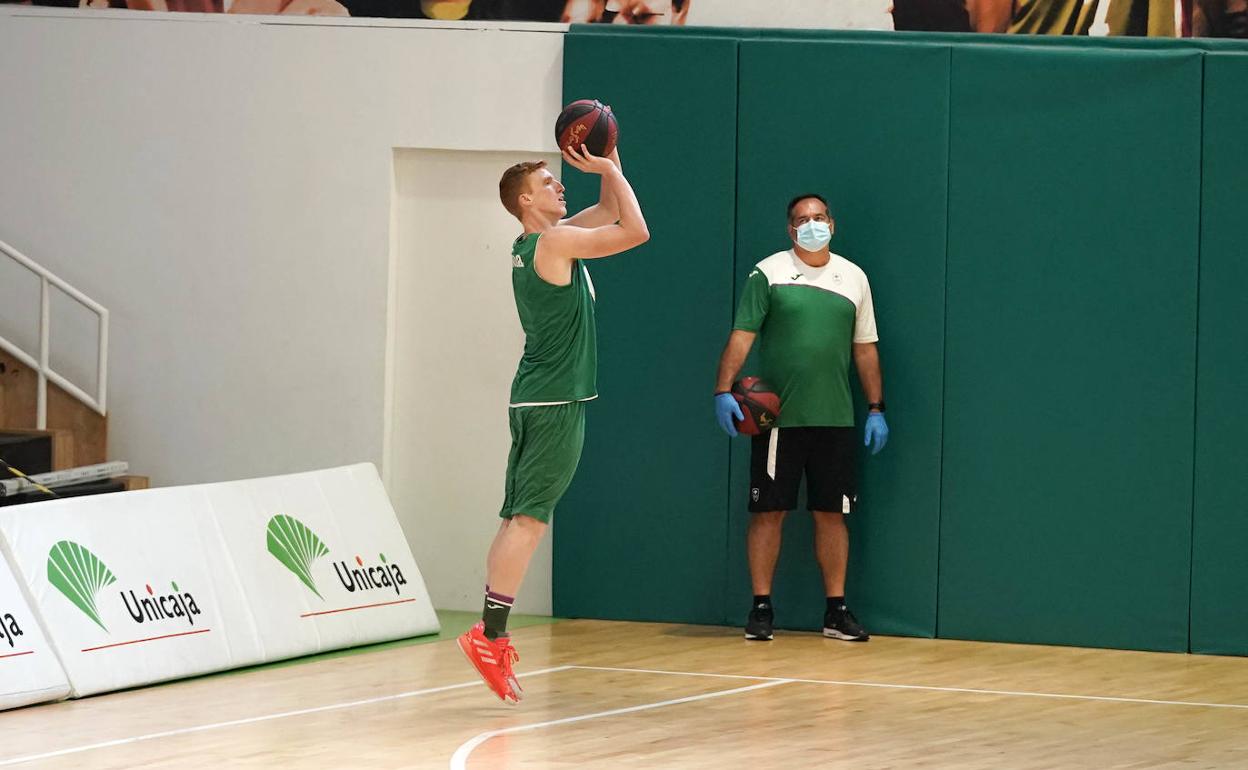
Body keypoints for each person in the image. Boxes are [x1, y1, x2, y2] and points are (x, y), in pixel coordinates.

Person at [457, 144, 649, 703]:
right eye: (548, 182)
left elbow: (611, 214)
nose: (559, 185)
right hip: (555, 400)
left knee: (517, 517)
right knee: (531, 522)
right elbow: (636, 231)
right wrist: (610, 170)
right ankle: (488, 635)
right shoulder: (556, 241)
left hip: (535, 398)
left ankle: (490, 631)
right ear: (524, 200)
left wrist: (613, 162)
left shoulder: (541, 242)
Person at [713, 194, 888, 643]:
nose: (811, 225)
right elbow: (742, 333)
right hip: (777, 422)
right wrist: (722, 390)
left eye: (818, 218)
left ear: (833, 222)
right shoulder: (767, 272)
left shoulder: (854, 278)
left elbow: (864, 347)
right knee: (769, 513)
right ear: (790, 230)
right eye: (801, 220)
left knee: (833, 515)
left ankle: (835, 611)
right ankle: (761, 609)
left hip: (835, 419)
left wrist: (875, 408)